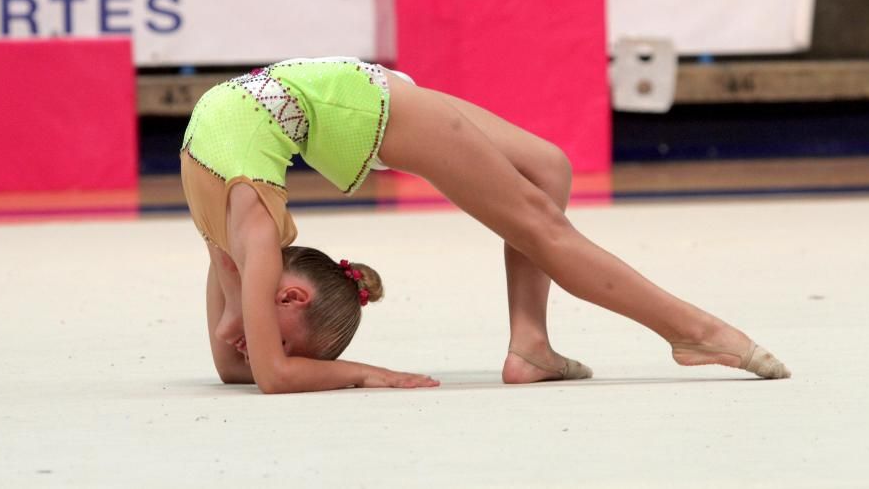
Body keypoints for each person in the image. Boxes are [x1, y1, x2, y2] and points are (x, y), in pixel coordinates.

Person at [181, 56, 791, 394]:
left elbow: (271, 376)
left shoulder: (253, 241)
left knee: (541, 218)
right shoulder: (234, 253)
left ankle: (691, 331)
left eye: (281, 335)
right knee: (546, 169)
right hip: (325, 87)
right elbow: (247, 368)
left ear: (290, 293)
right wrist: (343, 368)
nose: (257, 339)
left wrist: (367, 375)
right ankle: (531, 348)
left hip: (358, 106)